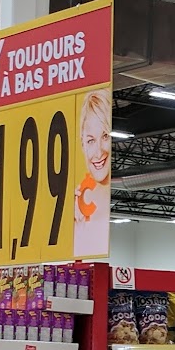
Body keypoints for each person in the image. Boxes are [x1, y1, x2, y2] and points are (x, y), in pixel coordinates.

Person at [74, 88, 112, 260]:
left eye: (105, 136)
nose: (98, 152)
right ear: (82, 144)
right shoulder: (75, 206)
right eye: (90, 140)